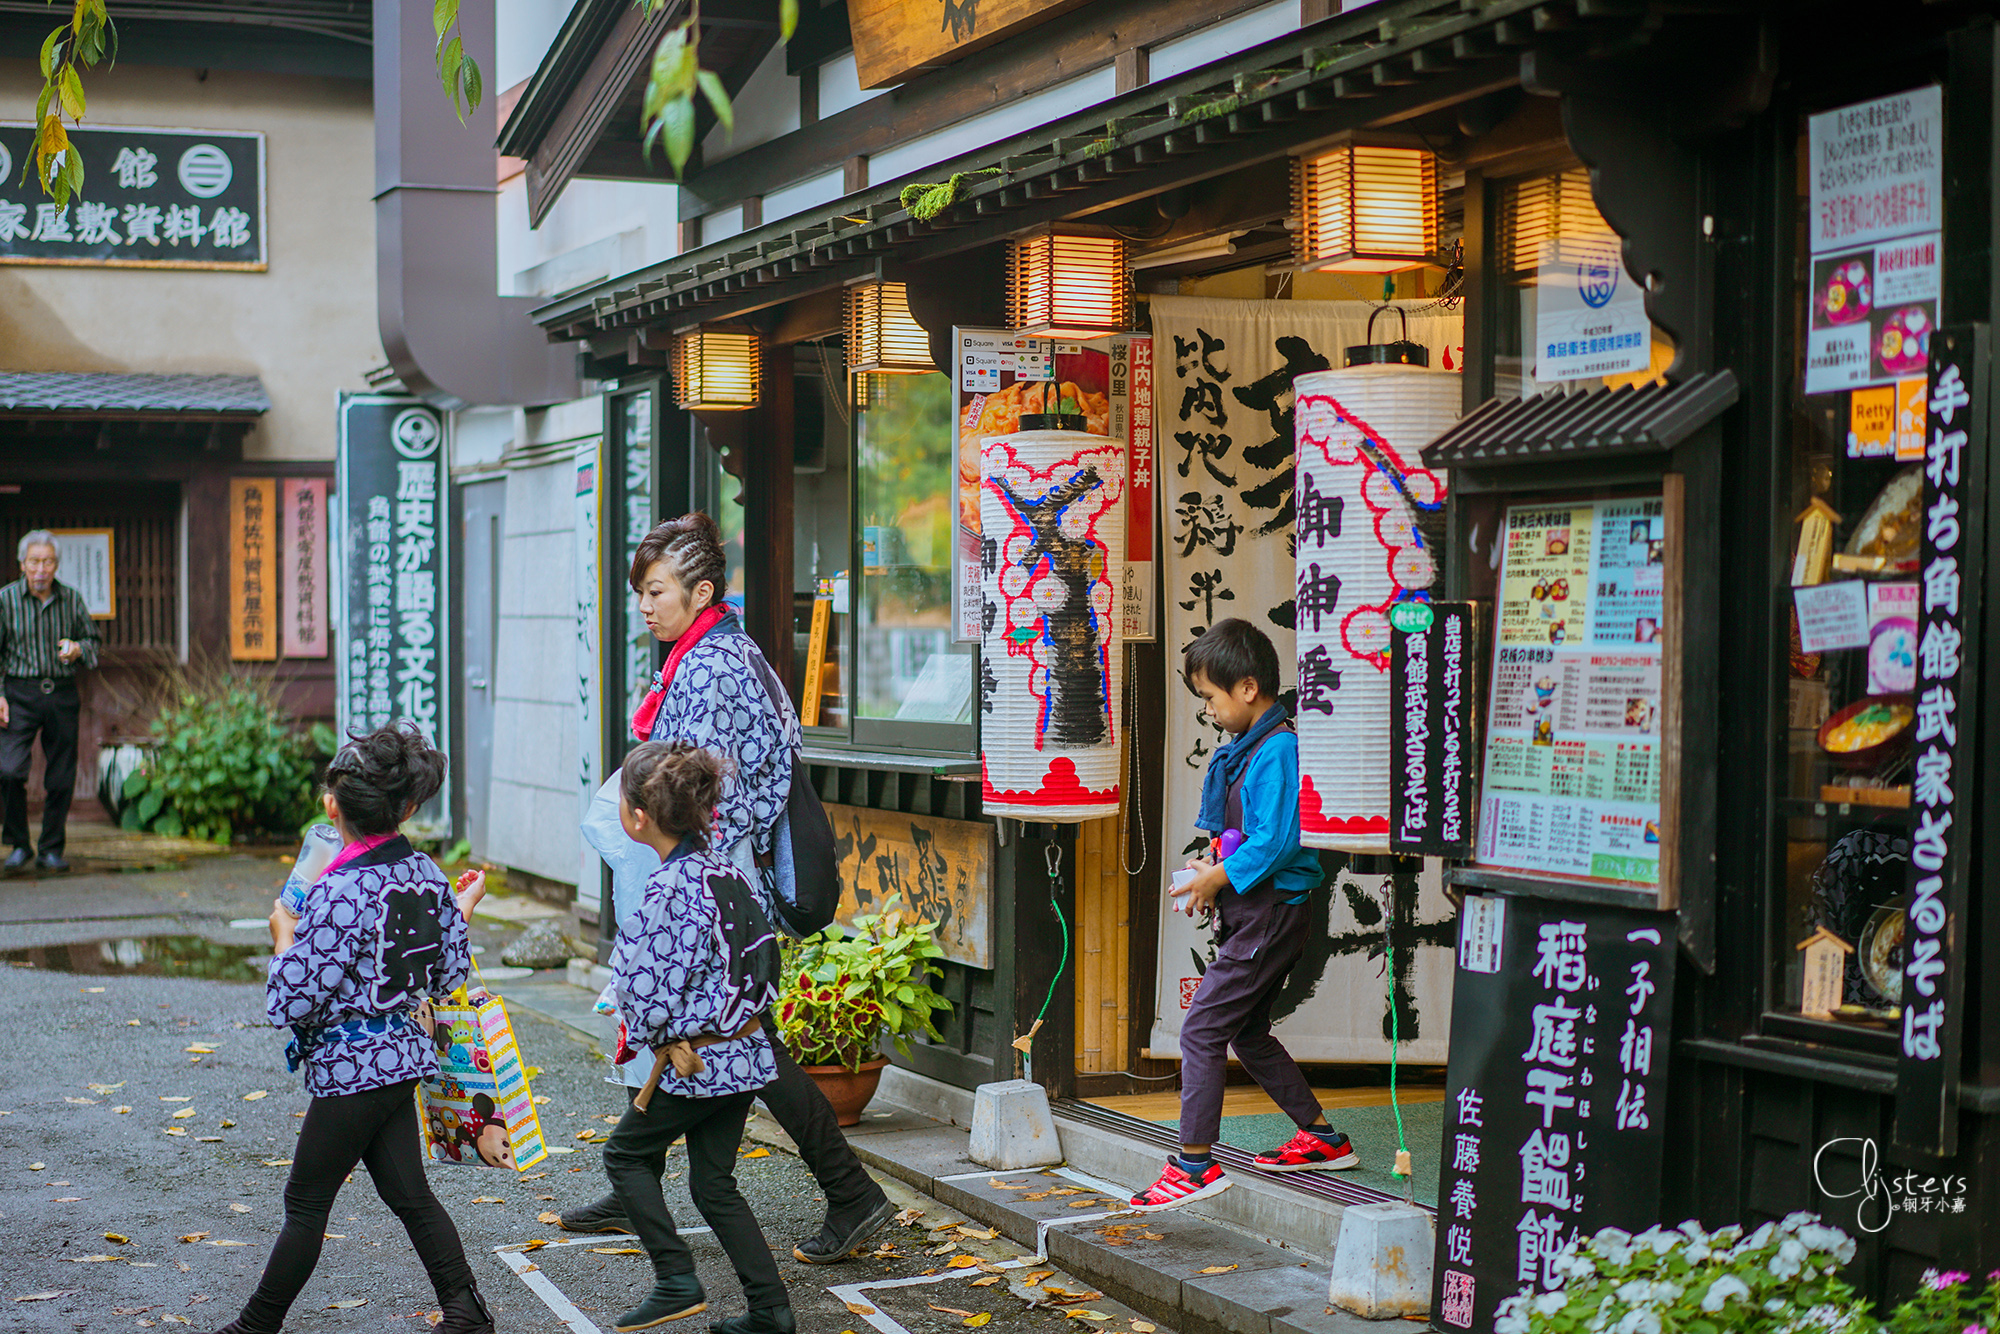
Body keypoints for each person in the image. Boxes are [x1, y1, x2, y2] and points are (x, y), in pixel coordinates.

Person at [562, 512, 896, 1264]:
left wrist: (670, 857)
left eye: (657, 590)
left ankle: (852, 1193)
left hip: (711, 879)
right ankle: (639, 1178)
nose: (645, 605)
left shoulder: (710, 666)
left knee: (743, 1037)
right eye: (640, 592)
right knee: (693, 1017)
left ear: (701, 589)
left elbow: (705, 789)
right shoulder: (713, 650)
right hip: (712, 874)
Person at [203, 723, 496, 1334]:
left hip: (354, 1070)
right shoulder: (425, 874)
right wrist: (459, 912)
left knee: (306, 1204)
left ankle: (254, 1326)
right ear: (407, 807)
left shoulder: (337, 887)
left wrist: (283, 935)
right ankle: (467, 1312)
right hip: (403, 1061)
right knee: (409, 1195)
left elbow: (292, 998)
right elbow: (446, 978)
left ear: (331, 806)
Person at [1131, 618, 1358, 1211]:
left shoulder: (1278, 748)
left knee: (1202, 1030)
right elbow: (1244, 837)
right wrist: (1214, 865)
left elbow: (1276, 842)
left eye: (1210, 697)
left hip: (1270, 916)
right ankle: (1324, 1139)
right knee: (1247, 1032)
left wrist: (1215, 876)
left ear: (1249, 688)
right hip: (1261, 914)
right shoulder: (1252, 749)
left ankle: (1195, 1165)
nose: (1207, 710)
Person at [603, 741, 792, 1334]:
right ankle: (770, 1311)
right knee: (713, 1185)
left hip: (697, 1064)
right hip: (744, 1051)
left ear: (638, 818)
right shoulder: (727, 871)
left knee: (625, 1155)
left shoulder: (668, 889)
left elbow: (643, 988)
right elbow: (762, 963)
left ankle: (677, 1280)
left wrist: (653, 1032)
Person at [0, 529, 100, 873]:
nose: (41, 569)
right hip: (18, 692)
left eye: (48, 562)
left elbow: (92, 641)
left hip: (60, 693)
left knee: (60, 776)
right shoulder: (6, 600)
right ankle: (17, 843)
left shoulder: (71, 599)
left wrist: (78, 649)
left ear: (56, 565)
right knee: (9, 770)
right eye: (34, 561)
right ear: (22, 564)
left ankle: (51, 849)